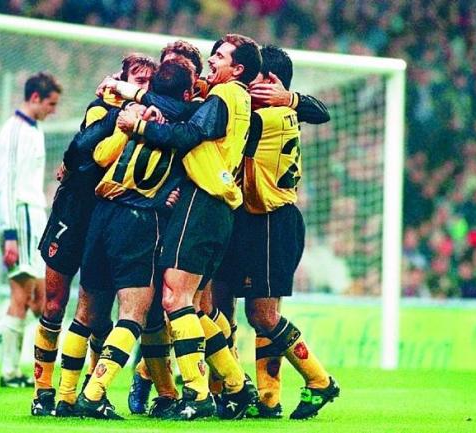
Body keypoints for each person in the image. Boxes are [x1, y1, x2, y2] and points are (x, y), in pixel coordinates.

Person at [117, 33, 262, 420]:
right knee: (195, 305)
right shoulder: (239, 100)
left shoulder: (226, 96)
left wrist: (140, 127)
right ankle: (235, 385)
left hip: (202, 201)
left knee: (174, 300)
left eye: (221, 56)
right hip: (218, 207)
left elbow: (187, 134)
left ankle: (197, 396)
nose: (213, 60)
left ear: (239, 68)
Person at [30, 54, 158, 417]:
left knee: (97, 314)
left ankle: (89, 391)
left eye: (150, 81)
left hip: (106, 219)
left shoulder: (149, 116)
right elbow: (82, 150)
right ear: (121, 79)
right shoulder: (103, 109)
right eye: (138, 78)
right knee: (54, 303)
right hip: (74, 211)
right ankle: (42, 392)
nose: (144, 86)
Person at [216, 45, 339, 420]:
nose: (240, 85)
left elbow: (226, 126)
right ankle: (256, 398)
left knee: (263, 316)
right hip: (244, 218)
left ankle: (318, 381)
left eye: (248, 79)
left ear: (269, 82)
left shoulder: (272, 118)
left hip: (271, 220)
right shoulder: (280, 110)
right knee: (223, 306)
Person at [72, 58, 196, 420]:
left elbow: (96, 154)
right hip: (140, 219)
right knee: (134, 315)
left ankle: (63, 395)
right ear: (187, 92)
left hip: (101, 213)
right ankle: (94, 394)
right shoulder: (187, 122)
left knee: (87, 313)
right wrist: (167, 195)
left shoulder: (129, 113)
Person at [0, 72, 61, 388]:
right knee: (31, 296)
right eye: (50, 103)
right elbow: (5, 185)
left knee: (29, 296)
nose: (54, 110)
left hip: (33, 217)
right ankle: (5, 365)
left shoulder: (34, 130)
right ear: (35, 98)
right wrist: (9, 234)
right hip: (20, 218)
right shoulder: (14, 132)